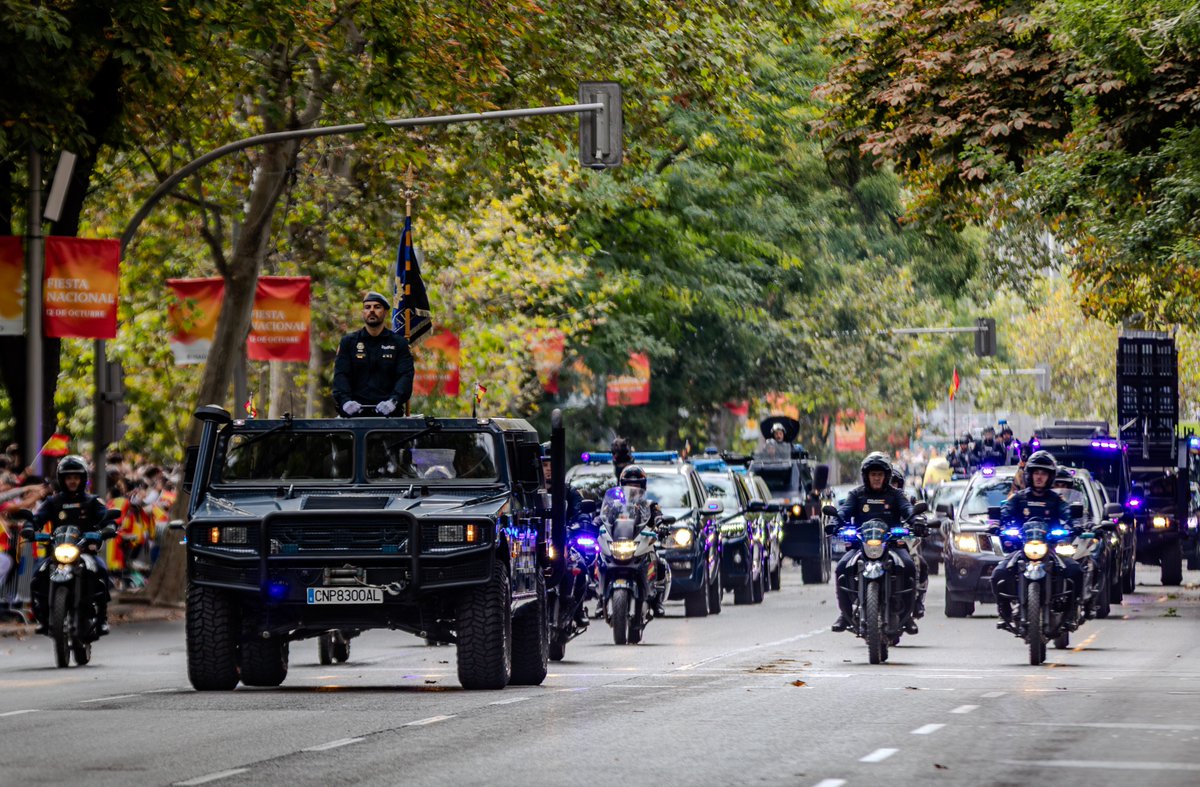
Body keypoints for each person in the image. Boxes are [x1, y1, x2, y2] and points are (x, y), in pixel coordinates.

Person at [990, 450, 1083, 631]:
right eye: (1036, 473)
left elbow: (1068, 513)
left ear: (1050, 476)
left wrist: (1077, 525)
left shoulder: (1056, 499)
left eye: (1044, 473)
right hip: (1023, 549)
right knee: (998, 574)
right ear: (1029, 475)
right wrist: (996, 525)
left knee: (1075, 571)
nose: (1039, 477)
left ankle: (1071, 612)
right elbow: (1004, 512)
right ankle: (1004, 611)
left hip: (1050, 549)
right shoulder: (1019, 497)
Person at [832, 452, 917, 634]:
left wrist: (916, 521)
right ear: (866, 476)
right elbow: (844, 511)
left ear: (886, 476)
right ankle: (845, 614)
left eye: (880, 474)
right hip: (861, 546)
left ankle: (907, 616)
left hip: (891, 545)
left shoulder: (896, 495)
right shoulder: (856, 494)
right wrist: (834, 522)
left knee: (909, 566)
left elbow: (908, 510)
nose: (876, 478)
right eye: (873, 474)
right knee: (841, 568)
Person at [29, 455, 111, 635]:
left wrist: (108, 528)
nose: (72, 481)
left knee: (101, 570)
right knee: (37, 575)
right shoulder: (52, 502)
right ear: (62, 479)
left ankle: (102, 619)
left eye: (76, 477)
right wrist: (29, 527)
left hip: (85, 552)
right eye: (68, 477)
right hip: (56, 553)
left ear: (82, 478)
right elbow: (36, 519)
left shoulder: (92, 501)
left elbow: (106, 519)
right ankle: (42, 619)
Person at [332, 292, 415, 418]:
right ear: (363, 312)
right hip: (353, 415)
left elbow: (405, 376)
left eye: (377, 307)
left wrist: (394, 401)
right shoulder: (348, 342)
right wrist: (345, 401)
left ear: (385, 312)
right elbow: (340, 375)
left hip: (390, 416)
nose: (371, 310)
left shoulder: (399, 343)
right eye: (367, 307)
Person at [612, 464, 670, 617]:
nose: (632, 489)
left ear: (643, 486)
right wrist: (595, 523)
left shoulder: (650, 505)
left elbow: (658, 517)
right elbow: (603, 518)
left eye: (636, 485)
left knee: (659, 563)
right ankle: (601, 598)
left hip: (642, 542)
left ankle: (656, 602)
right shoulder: (615, 505)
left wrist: (661, 525)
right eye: (629, 485)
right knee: (599, 559)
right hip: (619, 543)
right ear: (622, 486)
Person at [541, 442, 583, 521]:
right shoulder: (530, 493)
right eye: (545, 465)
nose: (549, 469)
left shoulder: (570, 493)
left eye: (552, 464)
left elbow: (581, 515)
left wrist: (582, 520)